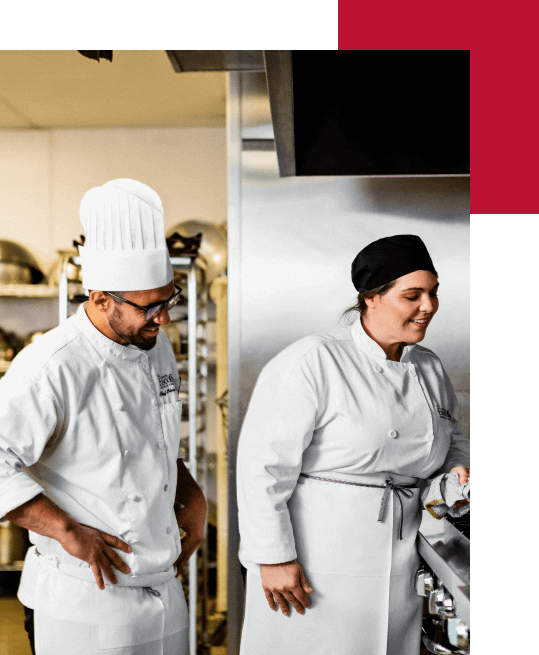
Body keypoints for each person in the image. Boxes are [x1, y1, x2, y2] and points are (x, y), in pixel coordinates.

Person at [0, 179, 207, 655]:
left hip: (163, 589)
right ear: (99, 299)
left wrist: (189, 491)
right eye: (149, 307)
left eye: (169, 299)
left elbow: (145, 436)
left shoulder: (151, 345)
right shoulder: (51, 365)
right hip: (86, 599)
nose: (164, 319)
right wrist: (65, 529)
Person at [236, 234, 470, 655]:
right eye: (412, 295)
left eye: (433, 294)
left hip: (402, 557)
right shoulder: (314, 360)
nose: (429, 307)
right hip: (319, 559)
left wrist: (456, 466)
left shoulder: (428, 365)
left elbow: (452, 437)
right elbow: (262, 468)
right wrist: (272, 558)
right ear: (371, 298)